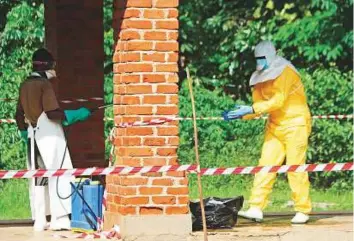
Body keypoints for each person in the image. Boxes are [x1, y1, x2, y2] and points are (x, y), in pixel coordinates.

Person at [223, 40, 312, 224]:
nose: (260, 61)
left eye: (263, 58)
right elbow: (257, 106)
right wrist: (240, 114)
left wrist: (251, 109)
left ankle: (303, 209)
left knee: (295, 166)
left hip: (295, 123)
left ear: (271, 56)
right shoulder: (259, 77)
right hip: (275, 125)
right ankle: (256, 207)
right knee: (265, 165)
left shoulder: (286, 71)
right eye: (258, 58)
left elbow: (277, 101)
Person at [15, 48, 92, 231]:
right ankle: (60, 219)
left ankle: (40, 220)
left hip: (33, 138)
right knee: (60, 174)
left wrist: (24, 132)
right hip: (50, 138)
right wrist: (76, 115)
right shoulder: (44, 85)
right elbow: (52, 113)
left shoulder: (25, 85)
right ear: (48, 66)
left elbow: (19, 115)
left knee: (39, 178)